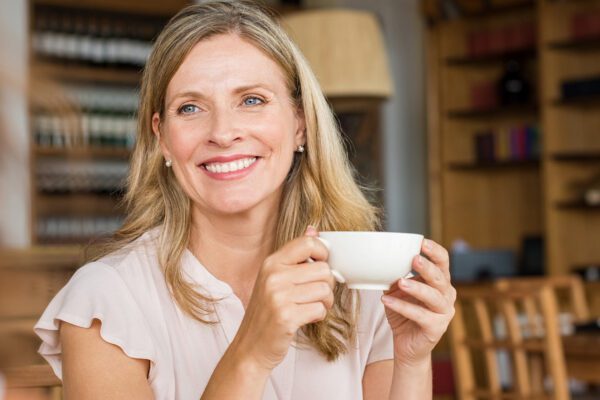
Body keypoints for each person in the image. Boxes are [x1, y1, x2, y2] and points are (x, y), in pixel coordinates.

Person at [34, 1, 456, 399]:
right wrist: (251, 352)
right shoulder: (106, 301)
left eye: (251, 100)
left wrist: (412, 360)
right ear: (161, 137)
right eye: (190, 108)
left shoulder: (364, 288)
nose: (223, 132)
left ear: (300, 124)